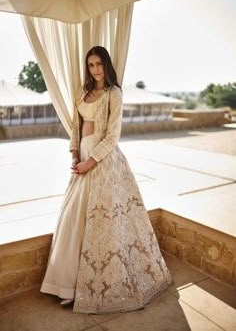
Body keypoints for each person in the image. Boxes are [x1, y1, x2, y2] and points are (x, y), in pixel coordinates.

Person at [40, 45, 173, 314]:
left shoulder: (114, 93)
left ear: (107, 65)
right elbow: (76, 128)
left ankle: (88, 288)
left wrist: (91, 161)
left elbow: (113, 135)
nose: (95, 70)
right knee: (72, 219)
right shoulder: (83, 92)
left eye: (99, 64)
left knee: (104, 224)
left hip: (104, 160)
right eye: (91, 65)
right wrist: (75, 155)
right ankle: (66, 285)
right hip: (83, 158)